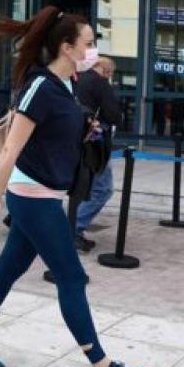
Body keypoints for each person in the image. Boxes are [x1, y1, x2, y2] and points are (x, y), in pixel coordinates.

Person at [0, 6, 151, 367]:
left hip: (44, 193)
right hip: (32, 196)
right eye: (89, 43)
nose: (94, 50)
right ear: (67, 47)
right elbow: (11, 148)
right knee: (71, 278)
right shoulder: (41, 87)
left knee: (9, 268)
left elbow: (54, 134)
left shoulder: (66, 84)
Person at [72, 56, 124, 248]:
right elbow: (113, 115)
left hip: (75, 139)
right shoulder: (101, 83)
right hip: (95, 141)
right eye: (110, 73)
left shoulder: (77, 79)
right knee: (103, 189)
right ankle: (74, 229)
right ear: (106, 70)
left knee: (79, 187)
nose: (110, 76)